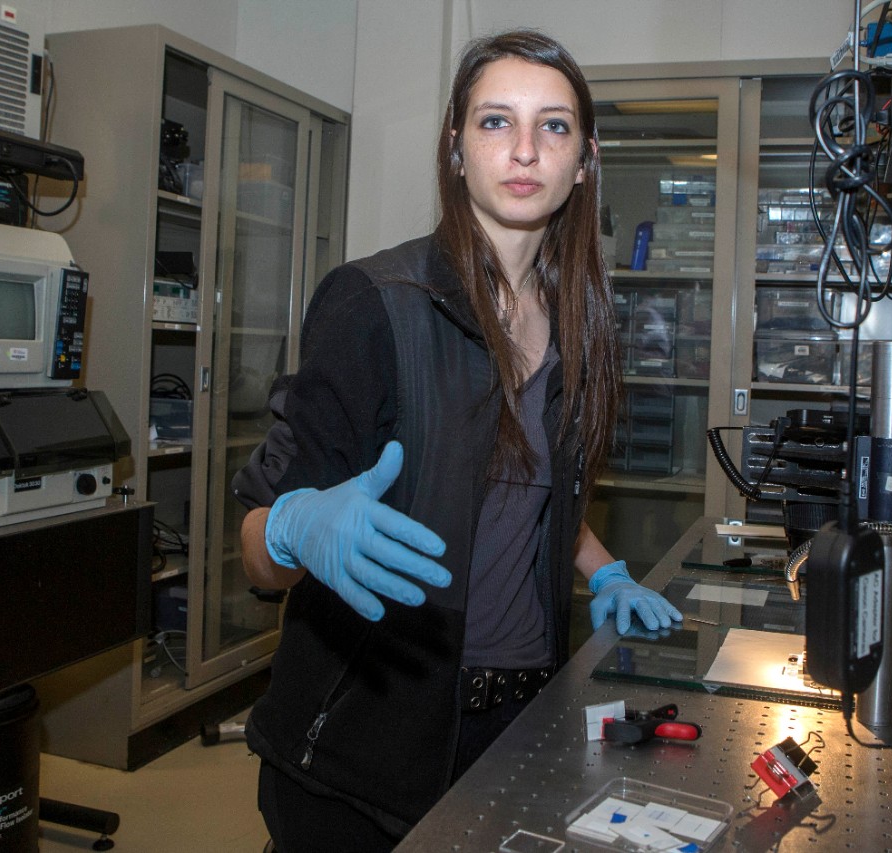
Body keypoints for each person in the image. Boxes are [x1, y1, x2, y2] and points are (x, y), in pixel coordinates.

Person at [231, 29, 683, 852]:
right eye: (494, 121)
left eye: (554, 125)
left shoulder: (579, 323)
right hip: (369, 746)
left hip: (522, 718)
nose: (524, 148)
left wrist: (604, 568)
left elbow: (528, 489)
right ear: (455, 147)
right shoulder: (374, 304)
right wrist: (293, 526)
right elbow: (258, 549)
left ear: (585, 160)